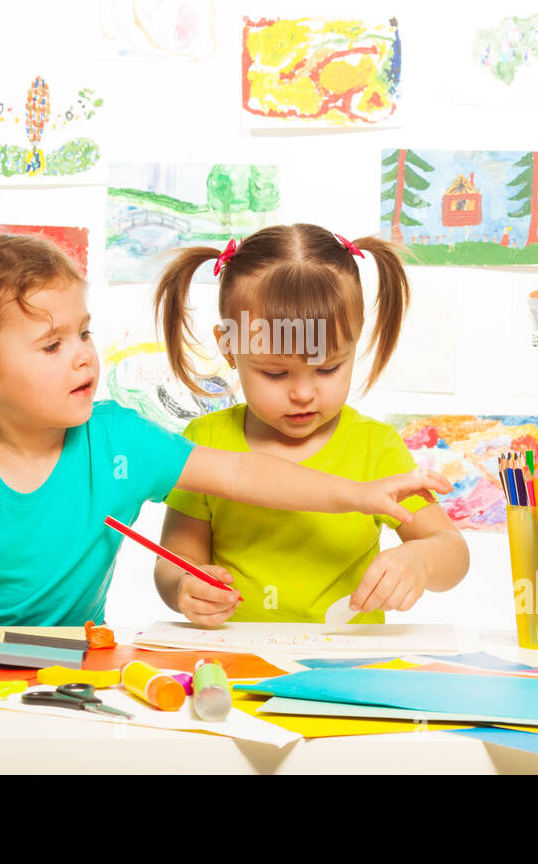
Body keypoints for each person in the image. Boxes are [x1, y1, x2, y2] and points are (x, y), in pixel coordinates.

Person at [0, 232, 451, 629]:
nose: (84, 355)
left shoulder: (122, 442)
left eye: (83, 332)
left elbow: (245, 473)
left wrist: (356, 494)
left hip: (74, 667)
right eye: (53, 344)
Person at [152, 224, 469, 626]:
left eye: (328, 368)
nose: (303, 393)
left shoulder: (375, 447)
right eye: (275, 373)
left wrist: (419, 561)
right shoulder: (207, 442)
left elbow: (453, 551)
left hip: (347, 669)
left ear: (354, 343)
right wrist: (184, 586)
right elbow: (171, 564)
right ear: (229, 346)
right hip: (232, 664)